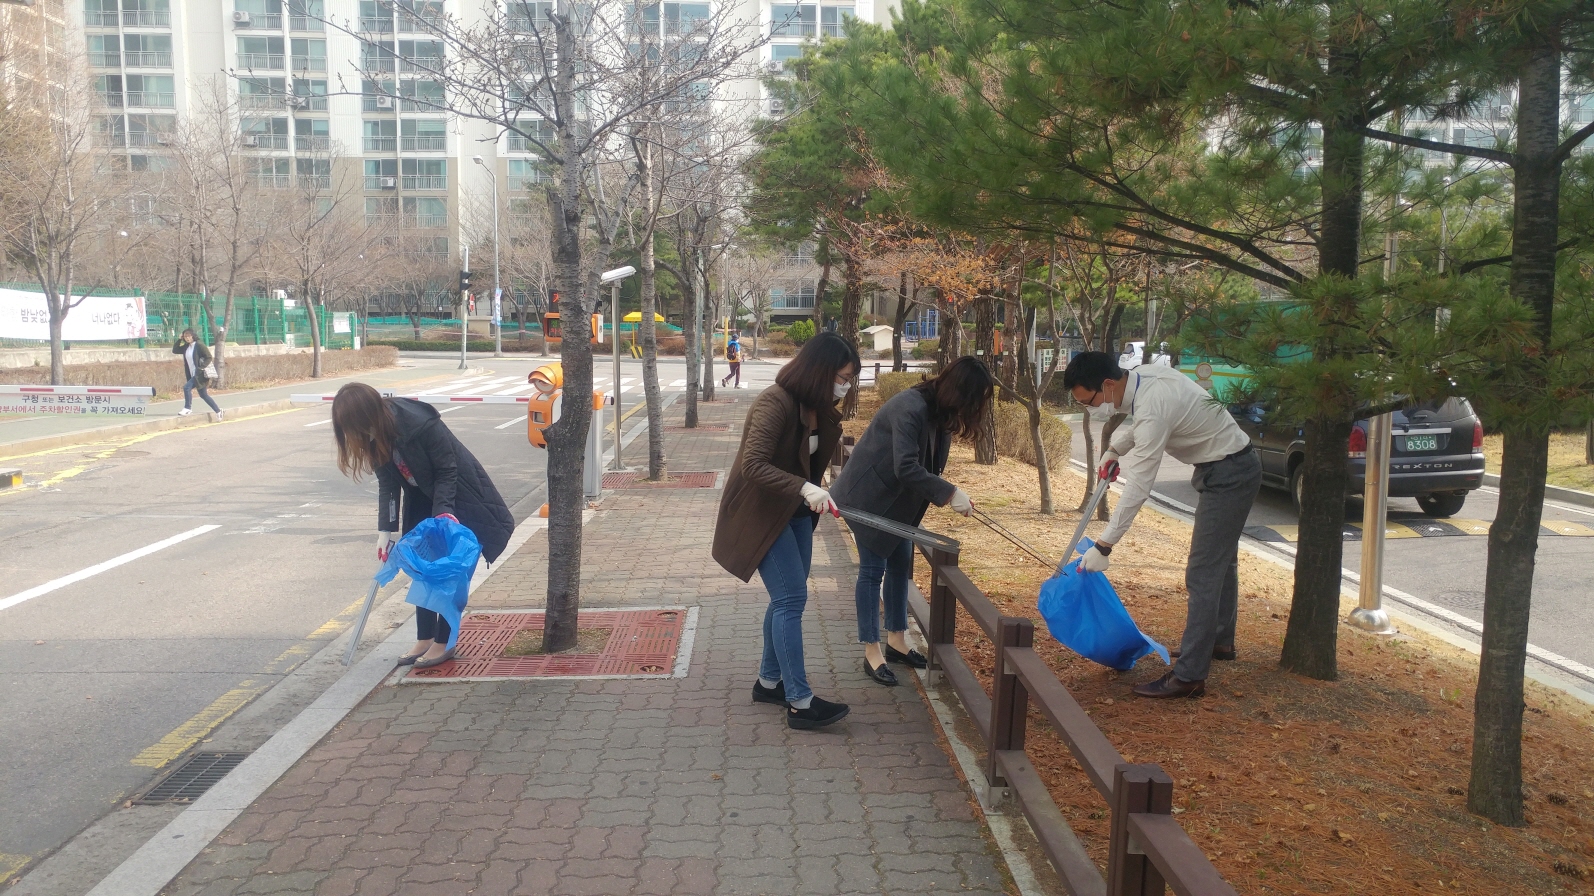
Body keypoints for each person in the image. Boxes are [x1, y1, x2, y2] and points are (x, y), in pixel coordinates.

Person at [1062, 351, 1261, 699]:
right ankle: (1218, 642)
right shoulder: (1144, 376)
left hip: (1230, 473)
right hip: (1225, 465)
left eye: (1088, 401)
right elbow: (1142, 423)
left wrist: (1104, 544)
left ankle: (1190, 677)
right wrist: (1114, 449)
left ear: (1108, 385)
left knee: (1202, 572)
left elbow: (1139, 485)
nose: (1089, 409)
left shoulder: (1153, 405)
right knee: (1221, 561)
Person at [713, 331, 859, 730]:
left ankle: (768, 682)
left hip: (795, 514)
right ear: (820, 370)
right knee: (792, 599)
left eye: (849, 378)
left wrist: (816, 491)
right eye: (841, 376)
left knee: (784, 600)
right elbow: (753, 465)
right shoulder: (774, 402)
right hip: (761, 514)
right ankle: (800, 701)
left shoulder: (817, 407)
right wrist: (804, 486)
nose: (845, 385)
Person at [832, 357, 992, 686]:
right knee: (872, 571)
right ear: (960, 392)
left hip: (897, 505)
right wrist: (949, 494)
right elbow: (906, 466)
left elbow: (929, 468)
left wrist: (949, 493)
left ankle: (896, 640)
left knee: (900, 563)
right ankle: (871, 649)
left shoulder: (939, 411)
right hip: (867, 499)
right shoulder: (911, 407)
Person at [331, 382, 515, 668]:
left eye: (357, 425)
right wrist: (385, 531)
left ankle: (444, 641)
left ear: (371, 414)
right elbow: (389, 484)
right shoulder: (371, 434)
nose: (356, 434)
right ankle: (425, 637)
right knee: (420, 564)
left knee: (450, 571)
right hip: (419, 496)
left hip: (459, 495)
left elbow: (447, 469)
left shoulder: (420, 422)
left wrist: (444, 512)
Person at [172, 328, 222, 419]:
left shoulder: (199, 345)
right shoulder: (186, 346)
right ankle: (218, 411)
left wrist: (201, 368)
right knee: (203, 395)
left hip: (200, 374)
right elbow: (175, 350)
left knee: (186, 387)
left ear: (193, 336)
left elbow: (209, 357)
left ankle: (187, 408)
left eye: (189, 336)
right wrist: (179, 339)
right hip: (191, 373)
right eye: (185, 336)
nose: (187, 338)